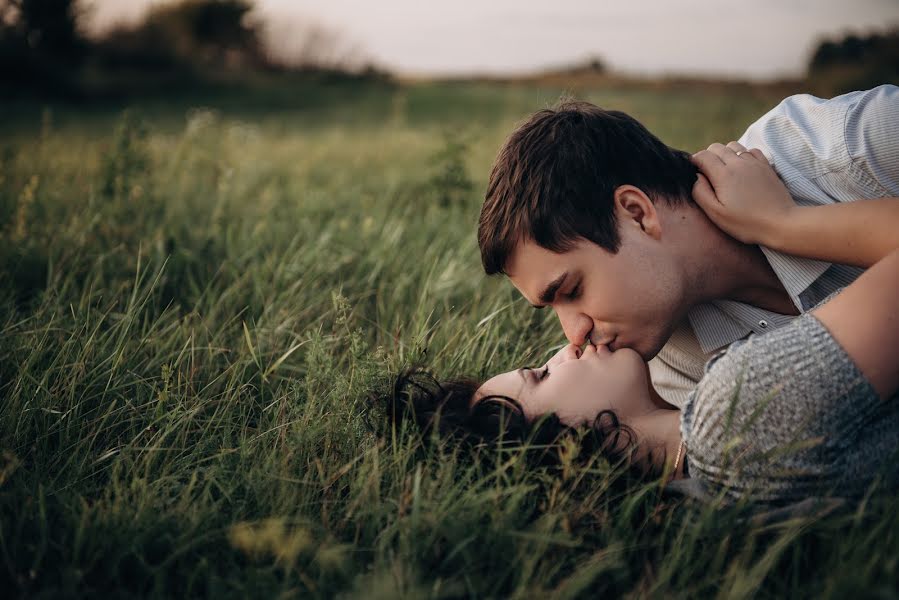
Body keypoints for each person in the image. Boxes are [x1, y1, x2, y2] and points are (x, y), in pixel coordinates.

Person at [389, 154, 899, 504]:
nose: (570, 342)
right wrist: (782, 224)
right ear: (558, 448)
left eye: (540, 368)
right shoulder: (729, 415)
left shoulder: (706, 485)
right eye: (541, 375)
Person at [477, 85, 899, 409]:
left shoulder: (842, 149)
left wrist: (787, 224)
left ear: (637, 213)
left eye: (572, 291)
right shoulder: (663, 372)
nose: (575, 334)